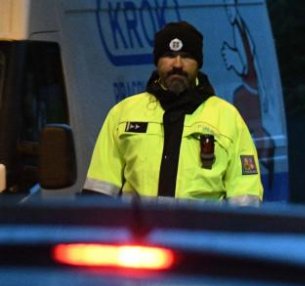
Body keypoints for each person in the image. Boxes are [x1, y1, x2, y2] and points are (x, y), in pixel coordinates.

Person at [82, 21, 263, 205]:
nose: (177, 64)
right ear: (157, 61)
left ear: (198, 63)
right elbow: (98, 193)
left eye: (185, 56)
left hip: (199, 233)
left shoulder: (227, 118)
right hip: (140, 232)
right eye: (169, 55)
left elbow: (245, 199)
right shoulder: (123, 114)